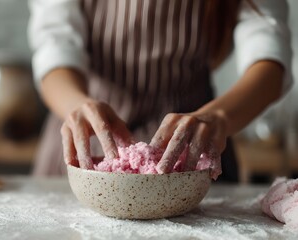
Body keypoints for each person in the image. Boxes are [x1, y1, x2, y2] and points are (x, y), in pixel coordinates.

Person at [28, 0, 292, 182]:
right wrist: (77, 104)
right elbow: (55, 47)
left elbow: (269, 57)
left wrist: (219, 118)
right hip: (86, 143)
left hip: (192, 152)